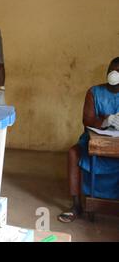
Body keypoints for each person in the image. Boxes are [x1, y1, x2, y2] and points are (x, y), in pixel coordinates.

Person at [58, 57, 119, 223]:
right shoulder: (94, 92)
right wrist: (106, 121)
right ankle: (76, 205)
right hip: (94, 139)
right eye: (111, 70)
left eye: (118, 72)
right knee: (73, 153)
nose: (114, 74)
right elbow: (88, 120)